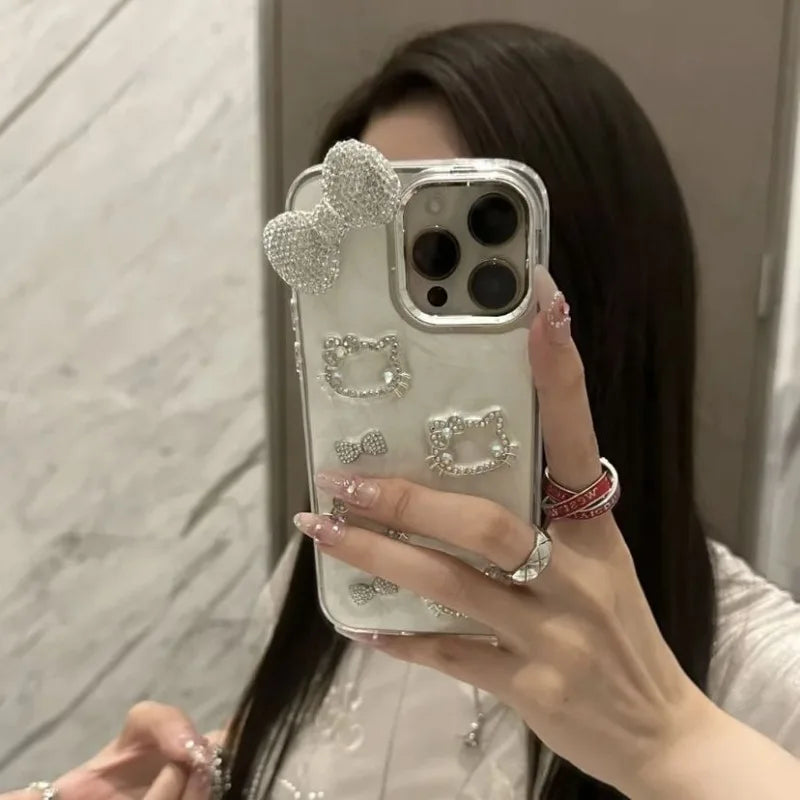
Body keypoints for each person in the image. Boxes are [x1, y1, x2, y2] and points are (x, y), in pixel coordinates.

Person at [6, 21, 800, 800]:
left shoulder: (759, 673)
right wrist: (215, 775)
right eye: (365, 268)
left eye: (444, 255)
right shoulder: (343, 575)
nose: (394, 336)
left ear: (598, 292)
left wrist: (667, 741)